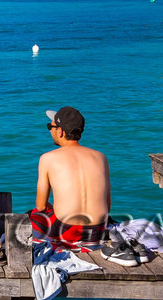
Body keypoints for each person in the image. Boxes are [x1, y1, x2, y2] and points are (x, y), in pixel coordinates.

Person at [32, 106, 110, 251]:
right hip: (97, 229)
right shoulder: (101, 157)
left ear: (60, 131)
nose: (50, 130)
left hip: (67, 230)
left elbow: (41, 206)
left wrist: (54, 207)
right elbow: (107, 204)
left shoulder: (48, 158)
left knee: (33, 215)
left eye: (51, 126)